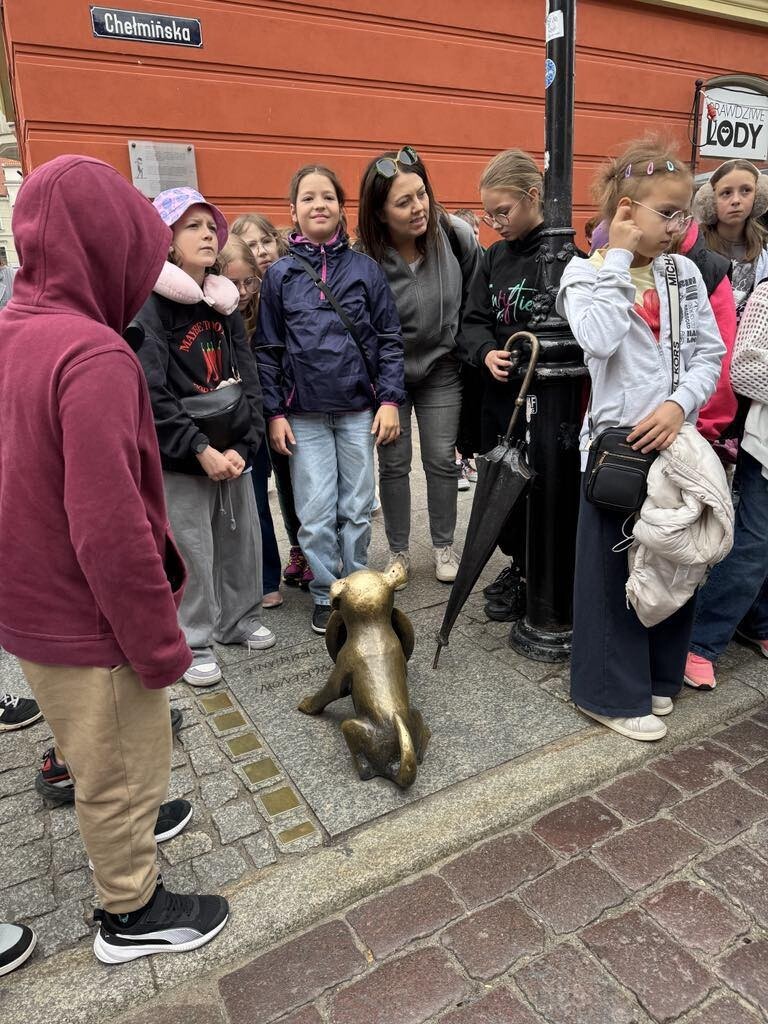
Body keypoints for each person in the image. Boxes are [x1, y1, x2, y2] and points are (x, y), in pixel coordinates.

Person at [0, 155, 228, 961]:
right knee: (123, 754)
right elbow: (111, 526)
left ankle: (107, 796)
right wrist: (160, 643)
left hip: (28, 601)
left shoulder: (13, 328)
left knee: (88, 743)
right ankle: (131, 910)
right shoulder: (93, 356)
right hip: (91, 613)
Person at [557, 138, 725, 741]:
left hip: (676, 446)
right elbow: (598, 340)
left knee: (673, 560)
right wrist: (618, 260)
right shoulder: (583, 273)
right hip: (618, 452)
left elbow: (710, 353)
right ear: (626, 209)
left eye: (685, 213)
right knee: (613, 573)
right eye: (668, 213)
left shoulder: (683, 273)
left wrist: (680, 405)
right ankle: (606, 693)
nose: (680, 226)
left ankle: (656, 677)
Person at [129, 188, 274, 687]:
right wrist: (197, 448)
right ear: (167, 241)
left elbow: (248, 375)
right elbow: (151, 389)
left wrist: (244, 443)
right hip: (185, 455)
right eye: (193, 226)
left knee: (239, 540)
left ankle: (238, 620)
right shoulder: (151, 307)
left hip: (232, 448)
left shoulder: (223, 301)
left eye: (212, 226)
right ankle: (193, 640)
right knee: (190, 549)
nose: (209, 234)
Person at [254, 164, 405, 633]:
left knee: (357, 508)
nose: (318, 204)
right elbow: (268, 348)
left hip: (359, 410)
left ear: (341, 206)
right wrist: (275, 412)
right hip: (304, 414)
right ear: (293, 211)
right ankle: (326, 591)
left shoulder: (366, 270)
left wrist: (390, 400)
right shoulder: (280, 277)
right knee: (316, 511)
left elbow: (389, 339)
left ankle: (357, 585)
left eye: (327, 197)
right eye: (308, 197)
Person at [357, 147, 479, 587]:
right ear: (380, 212)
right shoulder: (365, 256)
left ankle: (444, 546)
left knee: (441, 460)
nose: (418, 208)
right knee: (393, 464)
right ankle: (399, 552)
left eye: (421, 194)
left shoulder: (454, 234)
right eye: (403, 202)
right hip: (388, 376)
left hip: (441, 366)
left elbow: (476, 294)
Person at [458, 149, 547, 621]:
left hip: (543, 403)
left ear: (532, 196)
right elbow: (472, 320)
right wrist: (484, 352)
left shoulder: (561, 257)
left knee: (539, 491)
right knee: (501, 489)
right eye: (488, 214)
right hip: (498, 399)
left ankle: (538, 571)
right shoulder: (493, 258)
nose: (494, 223)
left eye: (503, 212)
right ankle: (518, 565)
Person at [232, 213, 311, 591]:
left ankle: (307, 548)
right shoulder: (237, 295)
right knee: (273, 481)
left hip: (287, 401)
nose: (261, 251)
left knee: (297, 479)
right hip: (253, 408)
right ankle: (294, 549)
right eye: (251, 245)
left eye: (266, 241)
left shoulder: (285, 286)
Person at [219, 234, 284, 609]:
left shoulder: (264, 313)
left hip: (260, 421)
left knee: (263, 503)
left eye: (250, 282)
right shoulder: (212, 315)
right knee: (233, 508)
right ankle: (240, 581)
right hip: (227, 424)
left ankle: (270, 576)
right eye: (234, 283)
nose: (243, 292)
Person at [694, 159, 768, 323]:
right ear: (709, 201)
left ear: (759, 196)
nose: (736, 200)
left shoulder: (764, 256)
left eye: (746, 190)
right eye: (726, 193)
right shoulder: (695, 249)